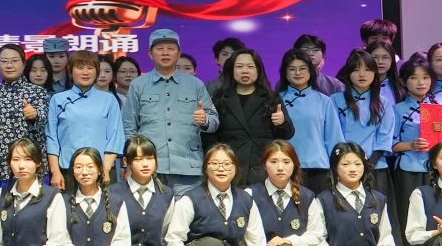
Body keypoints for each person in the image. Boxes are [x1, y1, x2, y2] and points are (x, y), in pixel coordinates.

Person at [125, 30, 218, 193]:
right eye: (160, 48)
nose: (165, 53)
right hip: (150, 167)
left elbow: (215, 122)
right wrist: (131, 164)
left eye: (170, 48)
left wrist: (205, 120)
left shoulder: (195, 84)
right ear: (150, 53)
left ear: (179, 53)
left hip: (188, 168)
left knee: (188, 209)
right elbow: (129, 127)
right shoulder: (138, 85)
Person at [315, 143, 400, 246]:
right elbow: (318, 238)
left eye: (357, 164)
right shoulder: (323, 200)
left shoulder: (378, 199)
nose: (353, 169)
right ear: (335, 167)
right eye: (345, 164)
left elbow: (385, 239)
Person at [209, 48, 287, 186]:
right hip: (229, 168)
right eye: (239, 66)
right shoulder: (220, 97)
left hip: (261, 168)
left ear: (258, 70)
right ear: (231, 70)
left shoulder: (271, 97)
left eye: (250, 66)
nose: (245, 71)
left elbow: (286, 134)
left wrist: (282, 123)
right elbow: (211, 137)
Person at [47, 51, 123, 187]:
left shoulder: (109, 99)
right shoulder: (58, 99)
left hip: (101, 170)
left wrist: (105, 169)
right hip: (67, 171)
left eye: (90, 68)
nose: (85, 72)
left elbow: (115, 136)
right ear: (70, 71)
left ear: (96, 71)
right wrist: (55, 171)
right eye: (80, 67)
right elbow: (52, 138)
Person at [0, 45, 48, 195]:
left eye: (14, 61)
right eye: (4, 61)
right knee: (4, 209)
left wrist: (34, 115)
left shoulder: (38, 92)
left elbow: (46, 125)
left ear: (23, 64)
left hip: (34, 168)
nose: (9, 65)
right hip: (1, 168)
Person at [332, 49, 394, 208]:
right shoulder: (334, 100)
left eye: (367, 69)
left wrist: (368, 164)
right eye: (356, 69)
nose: (362, 74)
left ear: (374, 73)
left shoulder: (383, 102)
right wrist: (346, 161)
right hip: (342, 165)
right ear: (348, 73)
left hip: (375, 166)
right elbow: (333, 134)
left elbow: (385, 137)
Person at [276, 49, 340, 191]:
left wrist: (338, 168)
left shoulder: (324, 101)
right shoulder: (276, 100)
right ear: (285, 72)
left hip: (318, 168)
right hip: (285, 166)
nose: (297, 73)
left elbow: (334, 139)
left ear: (310, 71)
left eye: (302, 68)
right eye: (292, 69)